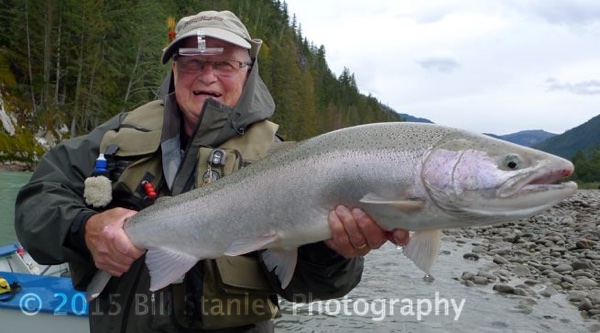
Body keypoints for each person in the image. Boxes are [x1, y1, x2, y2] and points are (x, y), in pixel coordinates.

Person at [14, 10, 409, 333]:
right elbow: (35, 203)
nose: (207, 77)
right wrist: (84, 228)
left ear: (248, 72)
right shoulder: (114, 137)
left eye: (224, 64)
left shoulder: (286, 160)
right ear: (173, 71)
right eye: (193, 63)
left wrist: (335, 253)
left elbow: (311, 289)